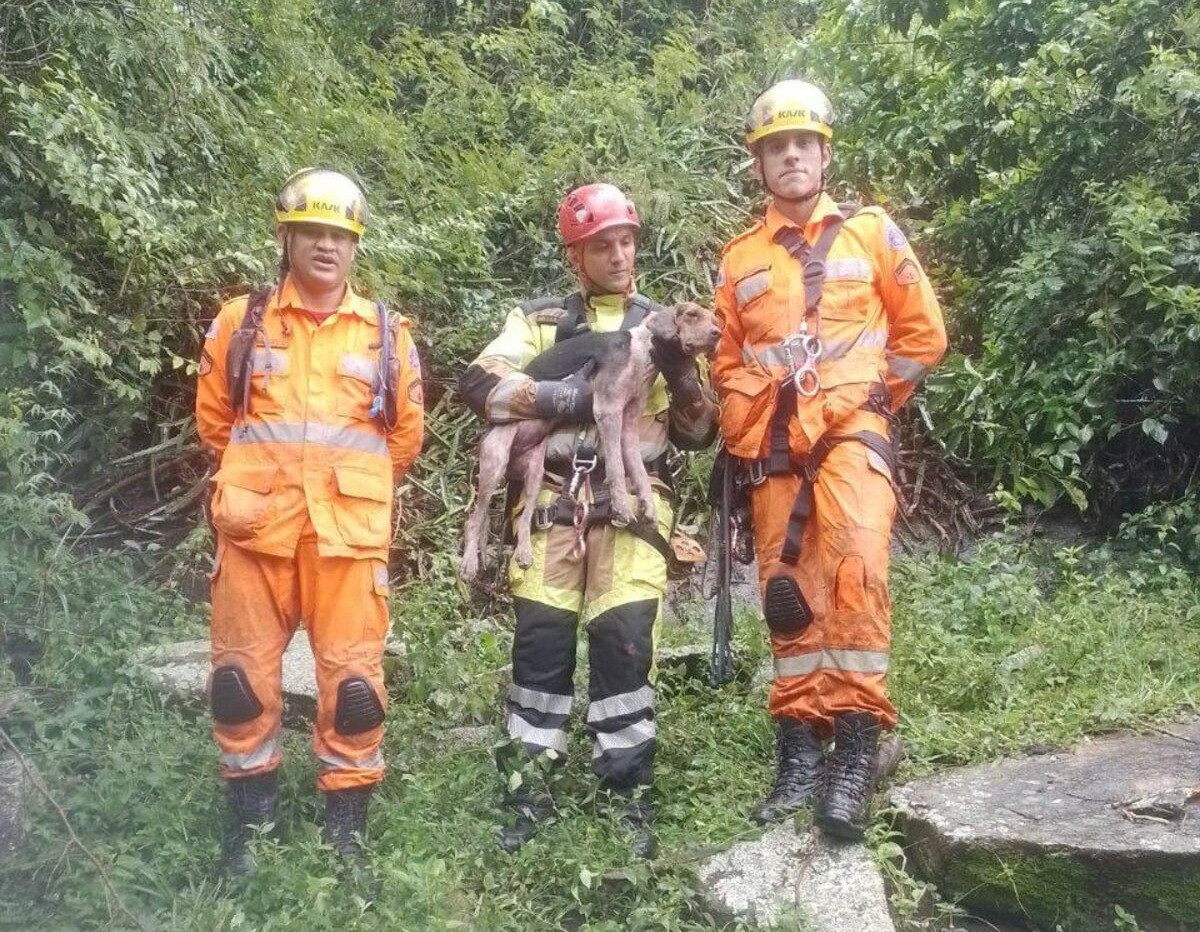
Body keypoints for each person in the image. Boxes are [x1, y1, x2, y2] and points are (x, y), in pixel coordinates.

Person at [711, 80, 947, 838]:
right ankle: (797, 754)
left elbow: (922, 338)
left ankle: (854, 753)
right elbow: (725, 362)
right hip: (776, 453)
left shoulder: (872, 234)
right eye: (775, 148)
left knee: (856, 577)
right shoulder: (739, 258)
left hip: (852, 443)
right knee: (786, 596)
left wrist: (870, 401)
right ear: (760, 165)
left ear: (823, 153)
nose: (789, 157)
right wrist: (757, 406)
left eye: (801, 144)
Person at [458, 182, 718, 857]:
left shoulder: (665, 323)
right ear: (577, 254)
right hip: (550, 503)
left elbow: (697, 433)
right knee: (540, 649)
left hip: (633, 509)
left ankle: (626, 798)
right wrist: (562, 394)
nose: (619, 255)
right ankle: (526, 794)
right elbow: (478, 383)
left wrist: (685, 377)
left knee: (625, 646)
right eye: (602, 245)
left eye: (627, 241)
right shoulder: (539, 321)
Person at [196, 168, 424, 879]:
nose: (327, 247)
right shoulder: (243, 321)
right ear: (287, 238)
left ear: (354, 246)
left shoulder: (388, 333)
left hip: (347, 540)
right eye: (314, 233)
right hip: (255, 533)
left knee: (355, 689)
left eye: (340, 236)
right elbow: (214, 421)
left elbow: (405, 437)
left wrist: (344, 490)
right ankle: (251, 826)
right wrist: (262, 485)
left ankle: (345, 828)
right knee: (240, 680)